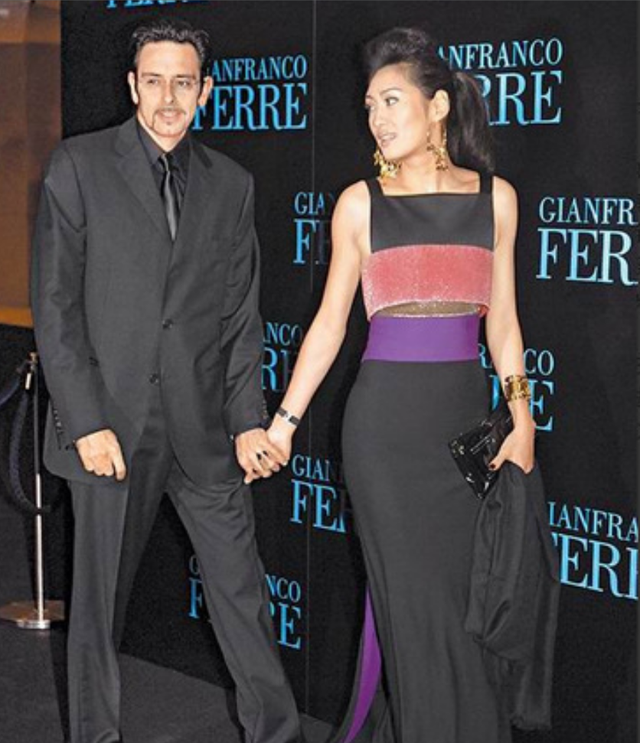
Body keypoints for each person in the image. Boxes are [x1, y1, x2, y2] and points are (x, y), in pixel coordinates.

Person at [30, 18, 301, 743]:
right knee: (98, 613)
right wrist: (85, 421)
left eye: (184, 82)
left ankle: (279, 735)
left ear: (205, 91)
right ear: (132, 85)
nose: (168, 99)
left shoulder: (231, 185)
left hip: (204, 427)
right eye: (154, 81)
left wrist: (247, 419)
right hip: (110, 429)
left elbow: (239, 315)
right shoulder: (79, 166)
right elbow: (55, 307)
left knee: (242, 596)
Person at [265, 27, 538, 743]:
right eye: (370, 107)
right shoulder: (360, 204)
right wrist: (284, 423)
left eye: (392, 100)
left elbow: (504, 323)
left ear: (438, 106)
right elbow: (328, 326)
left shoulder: (496, 200)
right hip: (382, 437)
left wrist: (523, 416)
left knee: (461, 608)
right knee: (414, 611)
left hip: (461, 437)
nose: (378, 119)